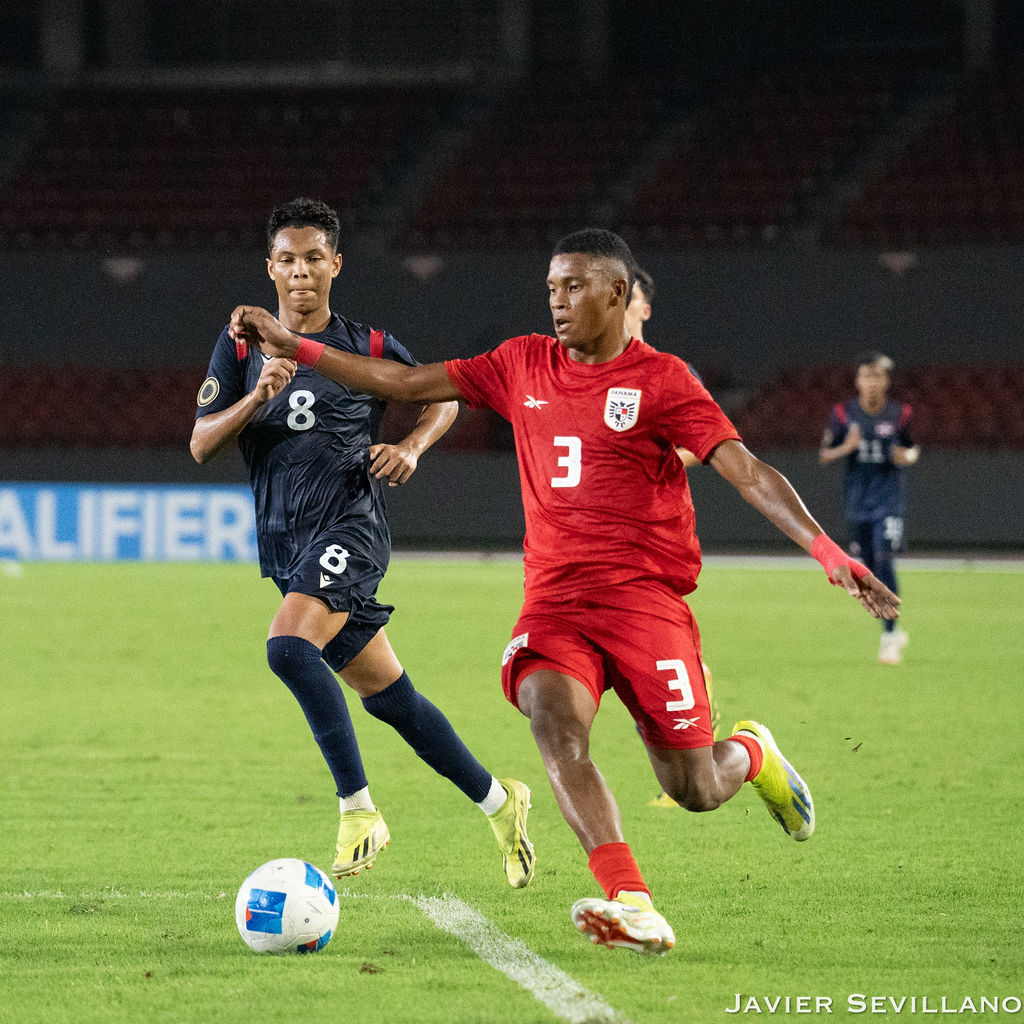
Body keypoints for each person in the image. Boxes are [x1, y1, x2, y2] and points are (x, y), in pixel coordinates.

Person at [228, 228, 900, 956]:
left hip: (645, 604)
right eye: (552, 287)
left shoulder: (664, 380)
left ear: (618, 293)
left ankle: (753, 754)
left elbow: (746, 470)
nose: (558, 301)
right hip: (555, 604)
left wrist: (826, 549)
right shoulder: (521, 363)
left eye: (575, 286)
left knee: (695, 788)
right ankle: (633, 900)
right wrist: (297, 347)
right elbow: (404, 384)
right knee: (551, 717)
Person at [190, 197, 534, 888]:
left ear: (336, 265)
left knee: (288, 648)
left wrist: (410, 446)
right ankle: (501, 803)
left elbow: (441, 395)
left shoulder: (369, 347)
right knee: (391, 698)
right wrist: (256, 398)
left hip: (351, 527)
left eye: (314, 258)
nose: (300, 271)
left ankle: (358, 809)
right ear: (270, 268)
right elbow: (201, 443)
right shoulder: (240, 349)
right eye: (288, 259)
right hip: (286, 546)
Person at [625, 266, 719, 808]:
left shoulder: (669, 372)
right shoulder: (586, 371)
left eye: (630, 297)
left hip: (653, 537)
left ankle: (695, 748)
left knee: (664, 654)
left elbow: (707, 442)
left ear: (644, 308)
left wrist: (652, 462)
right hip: (597, 543)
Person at [819, 352, 919, 665]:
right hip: (857, 503)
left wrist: (907, 457)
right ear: (858, 380)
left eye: (878, 376)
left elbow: (912, 448)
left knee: (885, 558)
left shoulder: (900, 413)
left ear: (886, 381)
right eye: (867, 376)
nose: (872, 382)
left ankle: (889, 635)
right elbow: (824, 454)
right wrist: (846, 448)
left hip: (888, 501)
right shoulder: (843, 413)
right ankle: (891, 631)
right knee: (869, 566)